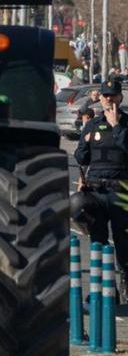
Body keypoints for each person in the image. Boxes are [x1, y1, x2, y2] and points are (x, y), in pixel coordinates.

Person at [74, 76, 128, 281]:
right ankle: (105, 288)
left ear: (120, 97)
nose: (108, 100)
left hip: (120, 191)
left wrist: (117, 128)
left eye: (112, 96)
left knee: (123, 241)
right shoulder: (93, 125)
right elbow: (81, 158)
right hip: (96, 191)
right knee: (98, 241)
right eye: (105, 96)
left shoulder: (126, 123)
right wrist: (85, 142)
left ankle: (125, 281)